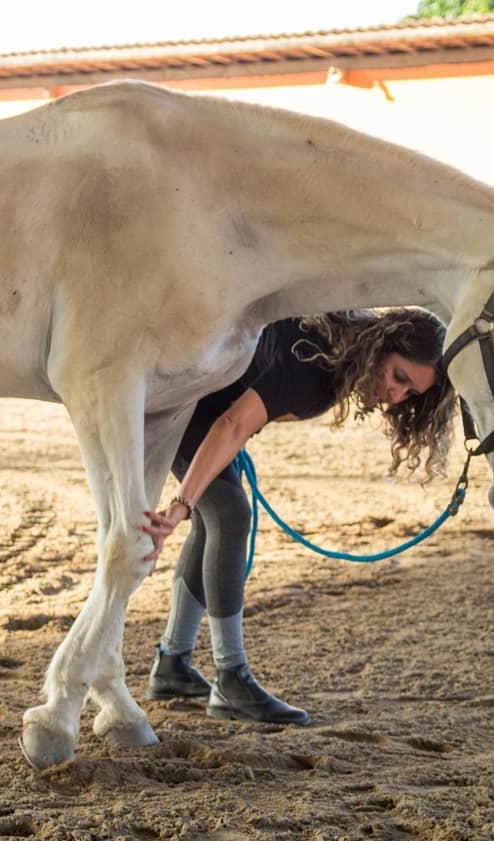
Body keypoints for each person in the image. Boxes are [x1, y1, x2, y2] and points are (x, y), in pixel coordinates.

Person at [141, 308, 456, 726]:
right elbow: (233, 424)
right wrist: (181, 503)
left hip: (205, 408)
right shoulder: (315, 370)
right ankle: (230, 677)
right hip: (188, 407)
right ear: (381, 346)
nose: (396, 396)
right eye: (398, 377)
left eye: (410, 393)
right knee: (230, 514)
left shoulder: (335, 355)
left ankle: (173, 665)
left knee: (217, 517)